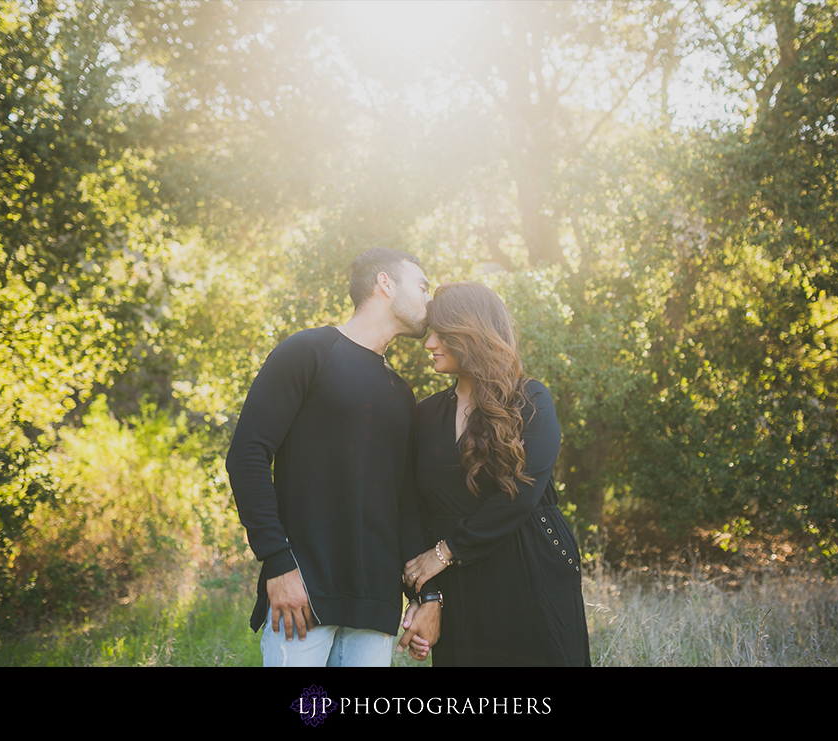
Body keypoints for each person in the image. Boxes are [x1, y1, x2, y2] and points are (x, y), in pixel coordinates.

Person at [226, 247, 441, 666]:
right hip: (302, 596)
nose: (429, 301)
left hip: (375, 606)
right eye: (422, 287)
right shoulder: (307, 352)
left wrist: (425, 594)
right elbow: (247, 455)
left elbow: (405, 502)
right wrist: (277, 563)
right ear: (385, 283)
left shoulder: (401, 393)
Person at [402, 282, 591, 666]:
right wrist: (428, 595)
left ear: (471, 333)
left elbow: (520, 495)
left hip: (528, 570)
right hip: (459, 586)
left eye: (442, 333)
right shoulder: (424, 414)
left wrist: (448, 551)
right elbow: (412, 508)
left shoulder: (531, 400)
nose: (429, 343)